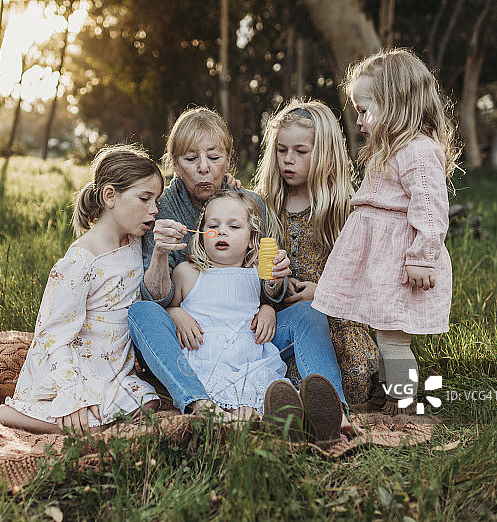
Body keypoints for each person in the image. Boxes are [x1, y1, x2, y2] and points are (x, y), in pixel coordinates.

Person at [128, 106, 355, 438]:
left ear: (229, 160)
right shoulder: (160, 209)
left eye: (214, 158)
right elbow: (157, 296)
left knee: (308, 313)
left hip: (249, 335)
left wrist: (271, 295)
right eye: (191, 160)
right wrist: (171, 303)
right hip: (195, 339)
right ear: (175, 164)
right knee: (142, 312)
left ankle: (335, 411)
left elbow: (267, 281)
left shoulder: (251, 204)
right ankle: (198, 402)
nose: (204, 169)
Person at [0, 145, 164, 432]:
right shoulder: (81, 260)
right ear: (110, 196)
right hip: (75, 361)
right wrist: (72, 391)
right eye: (145, 198)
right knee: (90, 427)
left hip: (112, 365)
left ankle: (9, 395)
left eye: (157, 199)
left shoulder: (136, 242)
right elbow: (53, 333)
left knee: (148, 402)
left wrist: (228, 186)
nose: (155, 209)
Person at [312, 49, 459, 415]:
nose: (358, 118)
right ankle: (387, 392)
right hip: (383, 261)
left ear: (395, 104)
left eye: (364, 110)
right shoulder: (391, 148)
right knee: (384, 333)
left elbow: (431, 209)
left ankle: (403, 400)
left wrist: (423, 258)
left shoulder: (418, 151)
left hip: (402, 264)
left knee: (394, 339)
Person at [253, 98, 380, 406]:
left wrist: (321, 290)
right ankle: (307, 405)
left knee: (355, 372)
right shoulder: (265, 205)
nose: (287, 161)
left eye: (300, 152)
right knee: (278, 373)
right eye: (281, 151)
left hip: (337, 318)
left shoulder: (345, 208)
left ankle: (323, 405)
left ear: (323, 153)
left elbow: (367, 276)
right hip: (282, 316)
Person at [167, 190, 288, 422]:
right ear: (202, 233)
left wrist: (268, 309)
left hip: (248, 358)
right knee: (223, 402)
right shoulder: (187, 273)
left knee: (250, 404)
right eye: (214, 225)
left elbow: (262, 301)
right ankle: (230, 425)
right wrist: (176, 313)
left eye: (234, 227)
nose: (222, 231)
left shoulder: (256, 273)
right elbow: (168, 308)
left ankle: (256, 427)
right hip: (207, 357)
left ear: (252, 238)